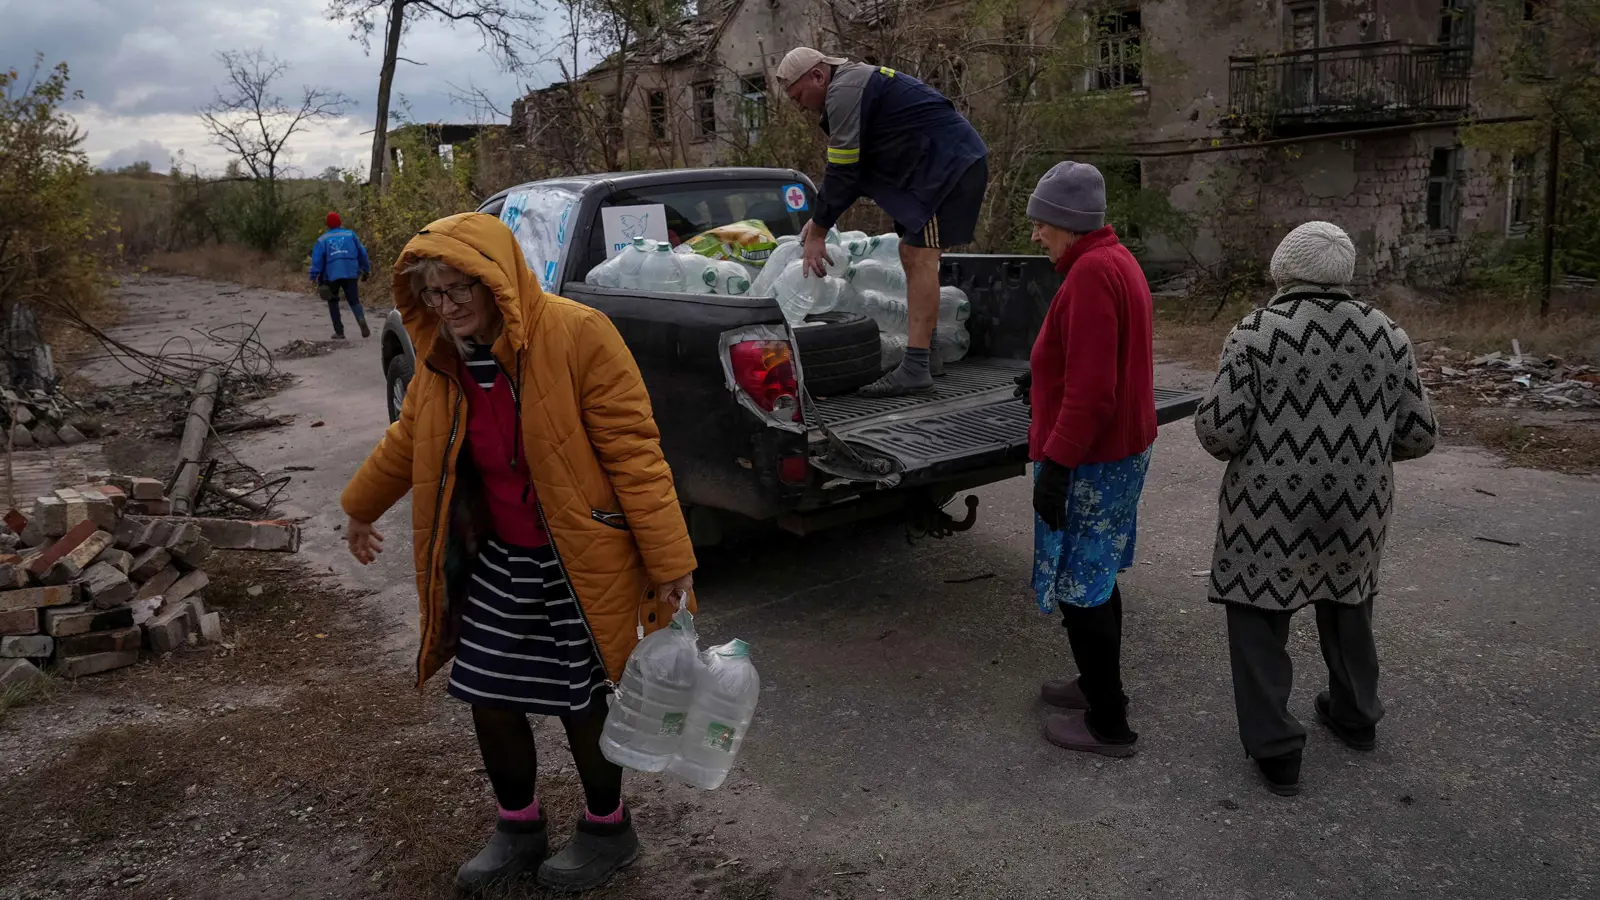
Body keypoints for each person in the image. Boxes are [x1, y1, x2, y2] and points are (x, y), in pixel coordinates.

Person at [339, 212, 698, 892]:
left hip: (579, 550)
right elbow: (406, 442)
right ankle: (518, 826)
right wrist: (358, 509)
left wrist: (669, 557)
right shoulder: (444, 359)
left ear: (495, 280)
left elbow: (634, 450)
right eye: (433, 295)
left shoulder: (579, 334)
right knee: (488, 691)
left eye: (458, 290)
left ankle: (607, 828)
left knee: (583, 699)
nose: (446, 307)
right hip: (504, 556)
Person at [1193, 221, 1437, 797]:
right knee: (1349, 602)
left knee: (1257, 615)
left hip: (1268, 507)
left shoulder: (1256, 332)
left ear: (1284, 269)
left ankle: (1277, 750)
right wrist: (1362, 455)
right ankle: (1355, 717)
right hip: (1360, 504)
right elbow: (1420, 434)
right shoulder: (1388, 334)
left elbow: (1220, 431)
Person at [1023, 162, 1156, 759]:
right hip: (1117, 454)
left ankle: (1109, 721)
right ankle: (1093, 686)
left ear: (1069, 223)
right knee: (1096, 579)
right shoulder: (1114, 260)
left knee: (1083, 588)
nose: (1036, 234)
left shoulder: (1091, 274)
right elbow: (1101, 360)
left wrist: (1056, 464)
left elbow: (1094, 392)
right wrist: (1042, 375)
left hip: (1092, 462)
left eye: (1042, 222)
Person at [773, 46, 989, 397]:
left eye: (799, 95)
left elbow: (843, 170)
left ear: (817, 75)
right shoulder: (851, 87)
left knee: (919, 255)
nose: (800, 105)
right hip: (930, 170)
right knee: (911, 253)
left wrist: (819, 232)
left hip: (947, 168)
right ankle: (928, 353)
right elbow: (853, 171)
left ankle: (917, 366)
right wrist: (818, 221)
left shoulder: (844, 91)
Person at [309, 211, 372, 339]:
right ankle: (361, 321)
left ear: (327, 225)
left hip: (331, 275)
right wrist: (366, 268)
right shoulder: (350, 235)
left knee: (333, 301)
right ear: (340, 222)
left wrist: (314, 276)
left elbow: (317, 260)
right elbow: (362, 253)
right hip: (351, 272)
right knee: (354, 301)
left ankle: (339, 332)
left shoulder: (323, 240)